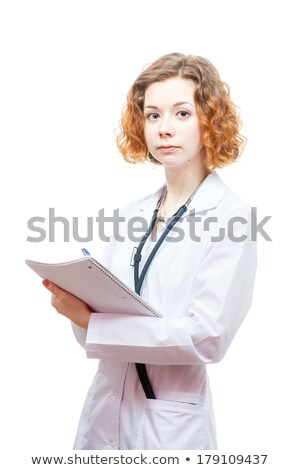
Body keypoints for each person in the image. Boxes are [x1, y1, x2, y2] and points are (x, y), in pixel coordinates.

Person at [42, 52, 257, 450]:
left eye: (182, 113)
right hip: (103, 416)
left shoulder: (232, 218)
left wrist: (94, 324)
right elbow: (101, 322)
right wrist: (81, 312)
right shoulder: (131, 214)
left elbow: (207, 338)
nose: (164, 129)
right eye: (153, 115)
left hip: (171, 427)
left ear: (209, 120)